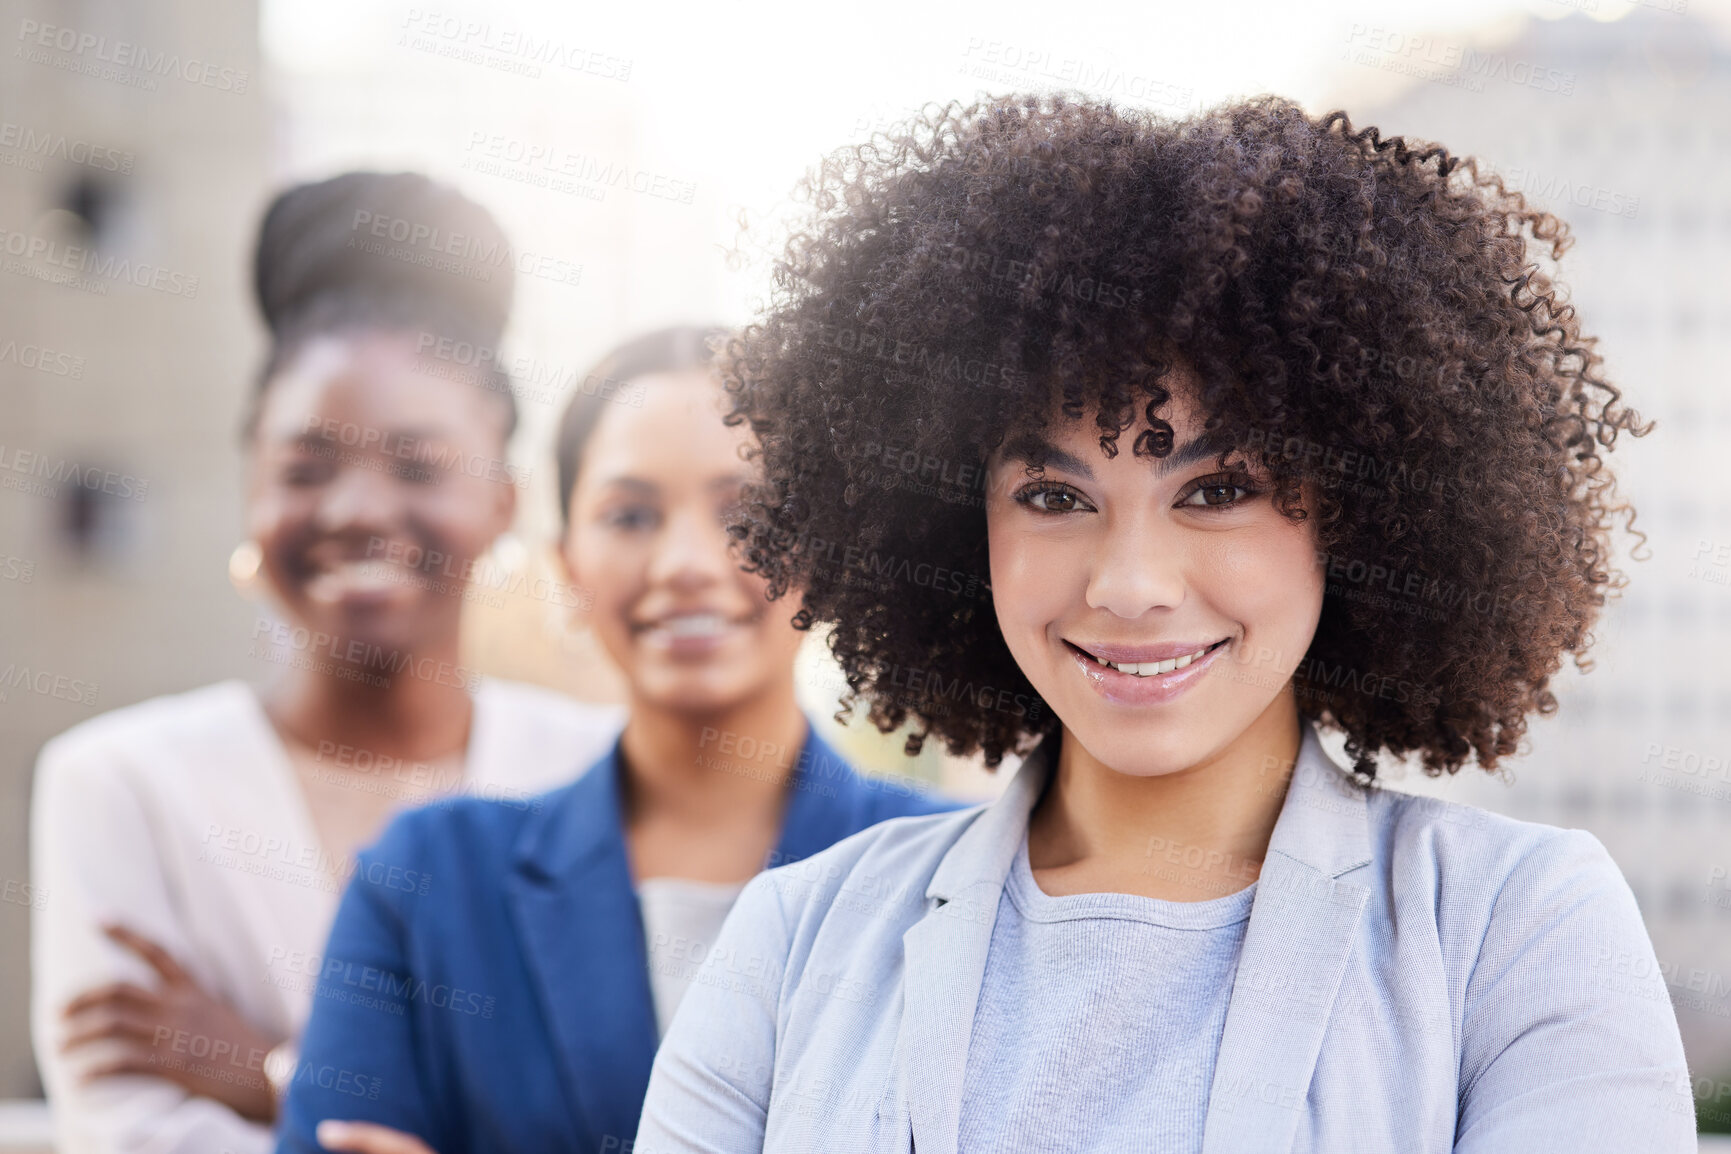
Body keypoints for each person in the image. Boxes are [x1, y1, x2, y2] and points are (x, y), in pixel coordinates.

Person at [634, 94, 1695, 1153]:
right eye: (1053, 497)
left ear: (1360, 512)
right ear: (965, 529)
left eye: (1219, 487)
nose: (1130, 582)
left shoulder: (1517, 925)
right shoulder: (793, 941)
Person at [30, 171, 623, 1154]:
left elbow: (632, 1116)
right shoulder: (120, 781)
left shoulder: (601, 776)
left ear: (504, 504)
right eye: (305, 467)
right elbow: (128, 1131)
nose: (354, 508)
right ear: (251, 496)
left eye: (418, 465)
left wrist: (269, 1071)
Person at [273, 326, 962, 1154]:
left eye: (745, 512)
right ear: (567, 568)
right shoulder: (424, 881)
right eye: (629, 514)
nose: (685, 563)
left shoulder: (950, 876)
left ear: (824, 552)